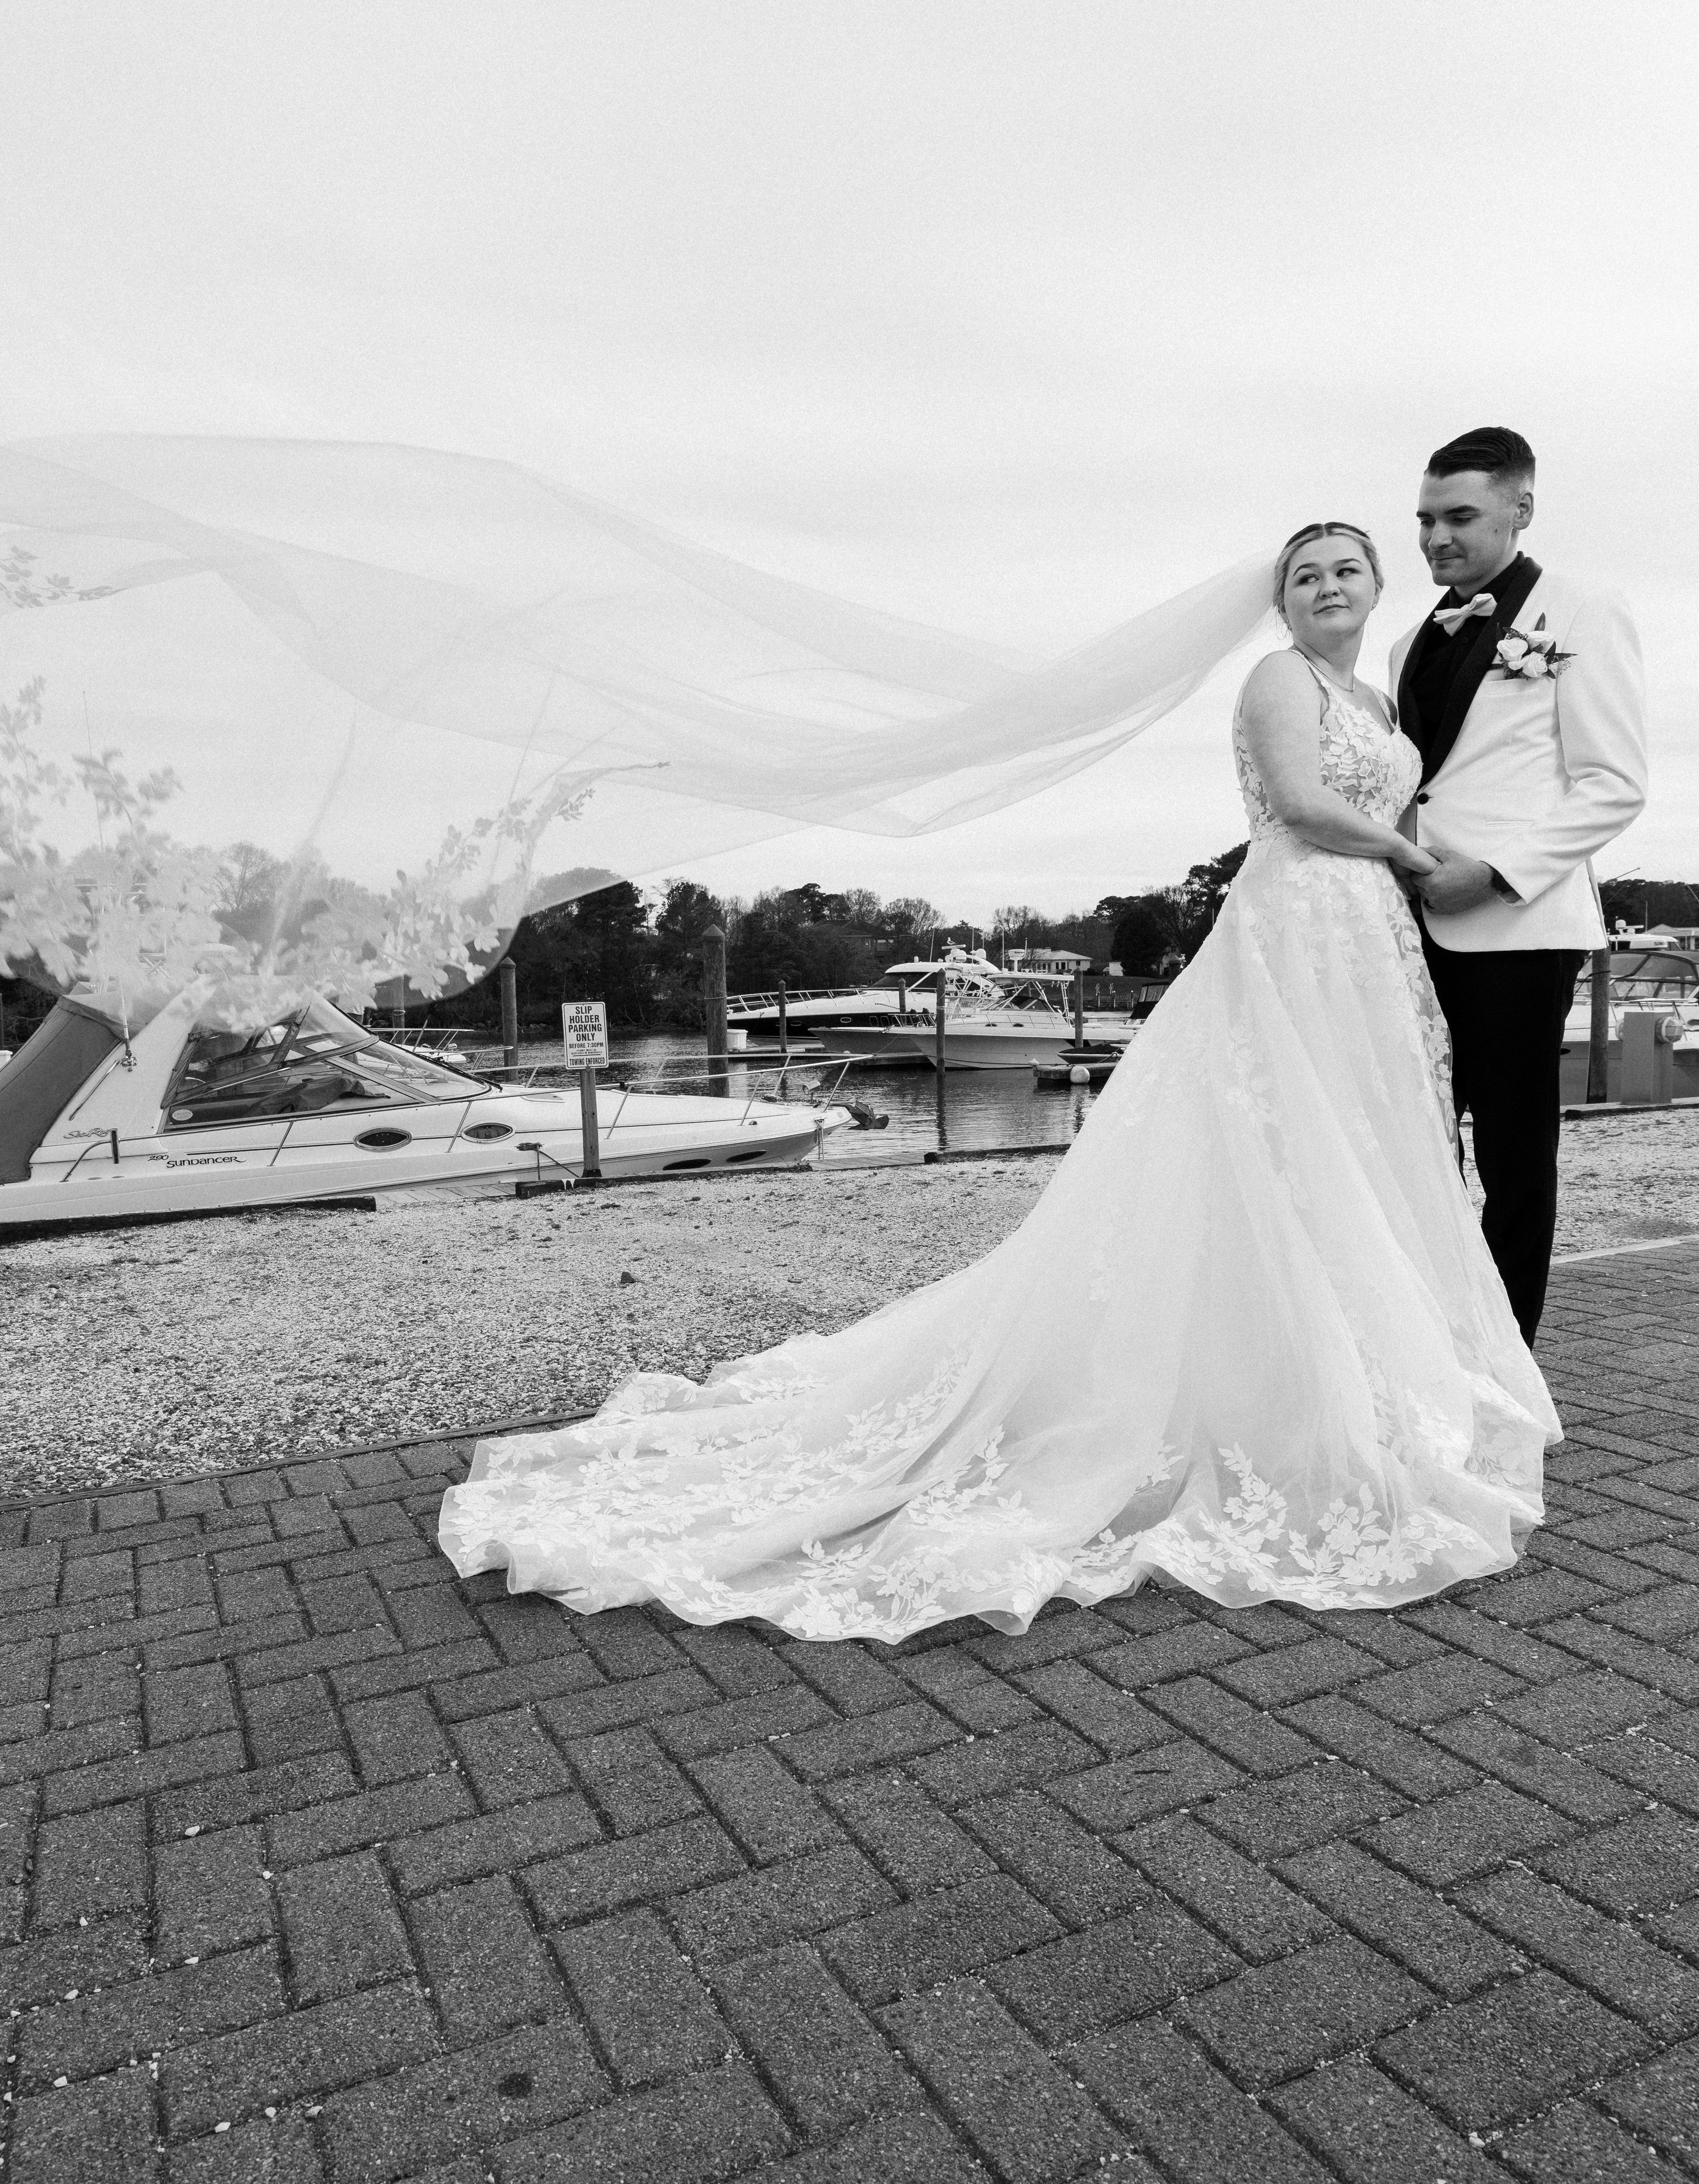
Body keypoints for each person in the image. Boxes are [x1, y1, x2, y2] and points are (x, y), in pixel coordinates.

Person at [438, 523, 1558, 1643]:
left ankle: (1354, 1377)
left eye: (1345, 571)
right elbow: (1308, 808)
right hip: (1297, 928)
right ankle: (1266, 1394)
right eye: (1305, 576)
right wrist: (1417, 862)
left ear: (1376, 589)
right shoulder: (1281, 680)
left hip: (1364, 943)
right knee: (1273, 1147)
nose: (1326, 588)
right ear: (1281, 605)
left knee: (1349, 1149)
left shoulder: (1383, 701)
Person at [1392, 429, 1650, 1342]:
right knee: (1417, 1143)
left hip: (1517, 927)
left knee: (1513, 1156)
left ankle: (1506, 1364)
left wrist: (1495, 874)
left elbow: (1614, 783)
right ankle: (1431, 1342)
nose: (1435, 538)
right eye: (1425, 519)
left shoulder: (1581, 612)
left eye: (1459, 516)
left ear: (1520, 509)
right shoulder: (1404, 644)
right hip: (1412, 924)